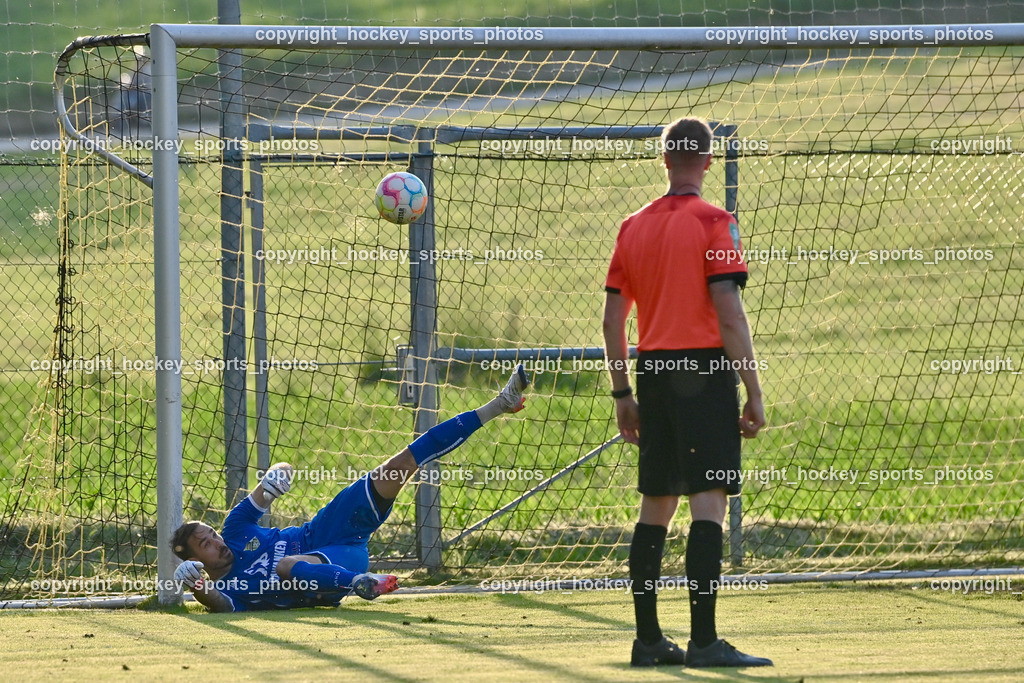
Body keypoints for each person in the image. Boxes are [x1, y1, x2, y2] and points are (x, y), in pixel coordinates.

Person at [602, 117, 771, 668]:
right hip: (702, 374)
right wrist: (753, 389)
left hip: (651, 373)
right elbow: (729, 311)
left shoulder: (632, 227)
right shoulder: (716, 221)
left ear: (664, 159)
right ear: (708, 160)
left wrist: (622, 393)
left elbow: (611, 320)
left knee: (656, 505)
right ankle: (703, 642)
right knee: (708, 503)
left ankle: (648, 640)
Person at [171, 365, 530, 612]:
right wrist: (198, 589)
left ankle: (502, 402)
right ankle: (362, 582)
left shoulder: (235, 528)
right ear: (193, 561)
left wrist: (276, 476)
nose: (217, 542)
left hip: (326, 529)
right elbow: (221, 606)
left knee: (398, 465)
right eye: (205, 544)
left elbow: (272, 481)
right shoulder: (227, 588)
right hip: (338, 570)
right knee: (285, 566)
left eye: (212, 534)